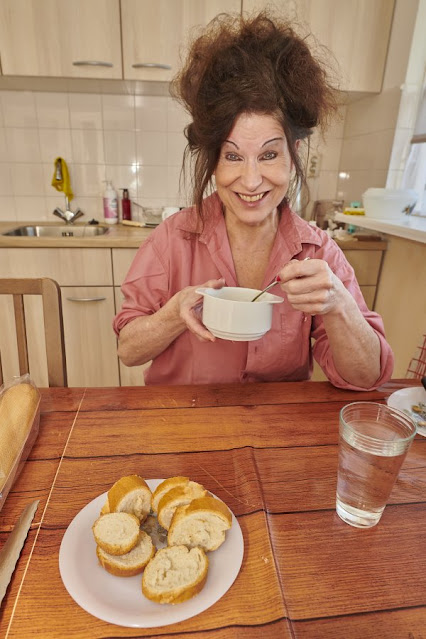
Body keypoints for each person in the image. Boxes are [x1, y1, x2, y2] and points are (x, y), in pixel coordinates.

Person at [113, 11, 394, 389]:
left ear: (294, 155)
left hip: (276, 434)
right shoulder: (170, 240)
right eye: (231, 156)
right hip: (182, 427)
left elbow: (366, 379)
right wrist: (173, 315)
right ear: (212, 159)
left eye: (268, 155)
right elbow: (128, 351)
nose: (250, 180)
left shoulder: (318, 253)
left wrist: (338, 304)